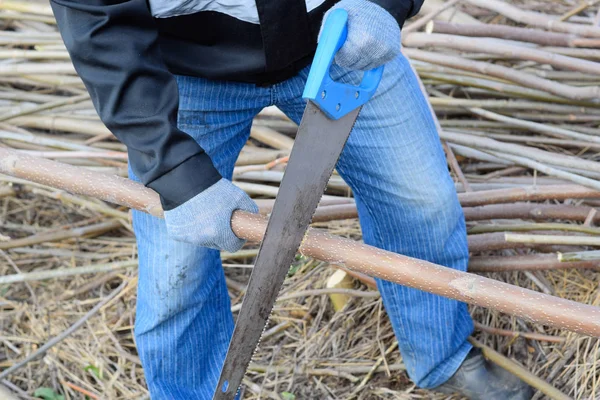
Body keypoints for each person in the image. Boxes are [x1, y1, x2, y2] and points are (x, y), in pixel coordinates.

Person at [49, 0, 533, 399]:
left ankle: (442, 356)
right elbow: (97, 23)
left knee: (421, 201)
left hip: (342, 36)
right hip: (182, 70)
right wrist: (174, 170)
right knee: (175, 274)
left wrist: (384, 4)